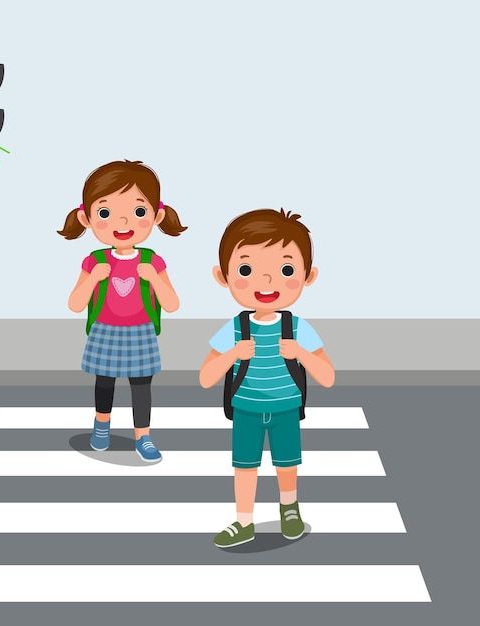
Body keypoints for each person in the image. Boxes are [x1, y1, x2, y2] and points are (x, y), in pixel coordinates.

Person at [199, 208, 335, 547]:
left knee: (286, 463)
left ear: (309, 276)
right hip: (245, 408)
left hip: (286, 407)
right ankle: (244, 521)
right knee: (244, 468)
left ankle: (289, 508)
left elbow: (327, 376)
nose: (267, 283)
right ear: (223, 276)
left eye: (285, 269)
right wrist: (233, 354)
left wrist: (300, 353)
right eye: (247, 270)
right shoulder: (234, 329)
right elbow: (206, 376)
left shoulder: (298, 328)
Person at [58, 160, 186, 462]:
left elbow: (172, 304)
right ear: (86, 218)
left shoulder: (153, 261)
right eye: (105, 213)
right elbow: (75, 304)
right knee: (104, 381)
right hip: (105, 329)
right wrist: (93, 278)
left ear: (157, 215)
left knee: (142, 387)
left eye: (138, 212)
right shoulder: (94, 260)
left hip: (141, 331)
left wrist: (153, 277)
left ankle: (143, 436)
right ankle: (101, 425)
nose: (124, 223)